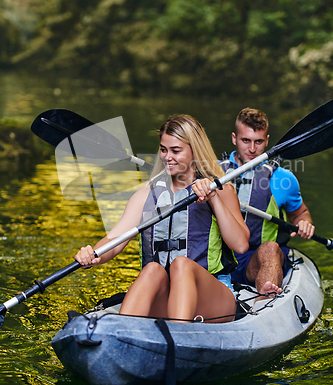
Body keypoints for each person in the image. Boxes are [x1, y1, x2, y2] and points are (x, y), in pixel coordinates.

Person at [75, 114, 249, 323]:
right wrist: (93, 255)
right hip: (166, 297)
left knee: (181, 265)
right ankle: (122, 334)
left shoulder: (220, 190)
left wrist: (213, 199)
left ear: (195, 150)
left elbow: (240, 245)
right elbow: (114, 239)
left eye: (176, 151)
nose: (167, 157)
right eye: (163, 149)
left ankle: (178, 337)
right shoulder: (147, 195)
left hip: (213, 298)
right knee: (152, 270)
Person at [220, 108, 315, 297]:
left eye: (259, 141)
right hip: (219, 259)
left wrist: (304, 223)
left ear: (267, 140)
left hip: (257, 259)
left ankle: (266, 300)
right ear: (234, 138)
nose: (252, 149)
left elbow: (299, 214)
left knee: (271, 248)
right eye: (245, 140)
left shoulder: (283, 179)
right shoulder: (213, 174)